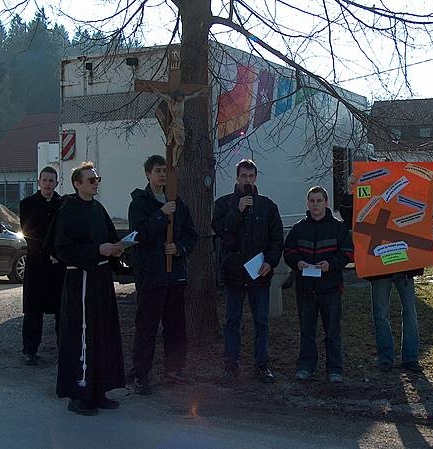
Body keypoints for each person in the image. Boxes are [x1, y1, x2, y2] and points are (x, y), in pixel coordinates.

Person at [340, 173, 433, 372]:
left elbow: (428, 208)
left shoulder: (406, 203)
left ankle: (410, 358)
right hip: (379, 267)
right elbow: (350, 217)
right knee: (381, 313)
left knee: (409, 311)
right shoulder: (371, 202)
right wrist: (351, 193)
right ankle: (385, 358)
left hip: (405, 266)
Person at [49, 161, 125, 416]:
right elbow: (62, 248)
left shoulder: (98, 208)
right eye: (91, 180)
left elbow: (110, 237)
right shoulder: (67, 211)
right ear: (77, 183)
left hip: (101, 279)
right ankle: (79, 393)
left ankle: (99, 389)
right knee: (81, 334)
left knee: (103, 332)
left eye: (97, 179)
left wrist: (117, 249)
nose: (95, 184)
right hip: (80, 279)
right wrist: (97, 250)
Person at [127, 155, 198, 395]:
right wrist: (161, 214)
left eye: (165, 171)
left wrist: (178, 248)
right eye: (158, 171)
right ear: (148, 174)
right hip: (152, 275)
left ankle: (174, 370)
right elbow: (138, 235)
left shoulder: (177, 202)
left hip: (174, 275)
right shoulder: (140, 203)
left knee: (176, 326)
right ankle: (141, 374)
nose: (162, 175)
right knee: (147, 327)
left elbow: (191, 235)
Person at [212, 159, 284, 384]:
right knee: (232, 322)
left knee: (261, 321)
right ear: (237, 177)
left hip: (259, 274)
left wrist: (270, 262)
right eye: (243, 176)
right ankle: (230, 366)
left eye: (251, 176)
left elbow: (276, 239)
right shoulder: (224, 204)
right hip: (234, 274)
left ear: (256, 178)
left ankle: (262, 366)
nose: (247, 180)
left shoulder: (267, 206)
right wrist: (238, 210)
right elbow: (221, 229)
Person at [284, 186, 353, 383]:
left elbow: (348, 253)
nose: (315, 205)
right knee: (307, 332)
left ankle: (335, 369)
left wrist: (331, 264)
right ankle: (305, 367)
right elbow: (288, 251)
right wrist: (298, 262)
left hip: (331, 288)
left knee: (332, 332)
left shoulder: (338, 228)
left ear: (326, 203)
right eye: (312, 201)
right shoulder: (298, 228)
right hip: (305, 289)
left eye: (319, 201)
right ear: (307, 203)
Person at [19, 166, 65, 365]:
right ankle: (30, 350)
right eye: (44, 180)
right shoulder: (27, 204)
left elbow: (63, 233)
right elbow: (29, 233)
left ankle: (64, 349)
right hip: (36, 265)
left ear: (56, 183)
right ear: (39, 182)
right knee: (33, 311)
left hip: (58, 267)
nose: (47, 184)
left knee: (62, 310)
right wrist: (48, 254)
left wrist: (58, 255)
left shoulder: (62, 204)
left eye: (51, 180)